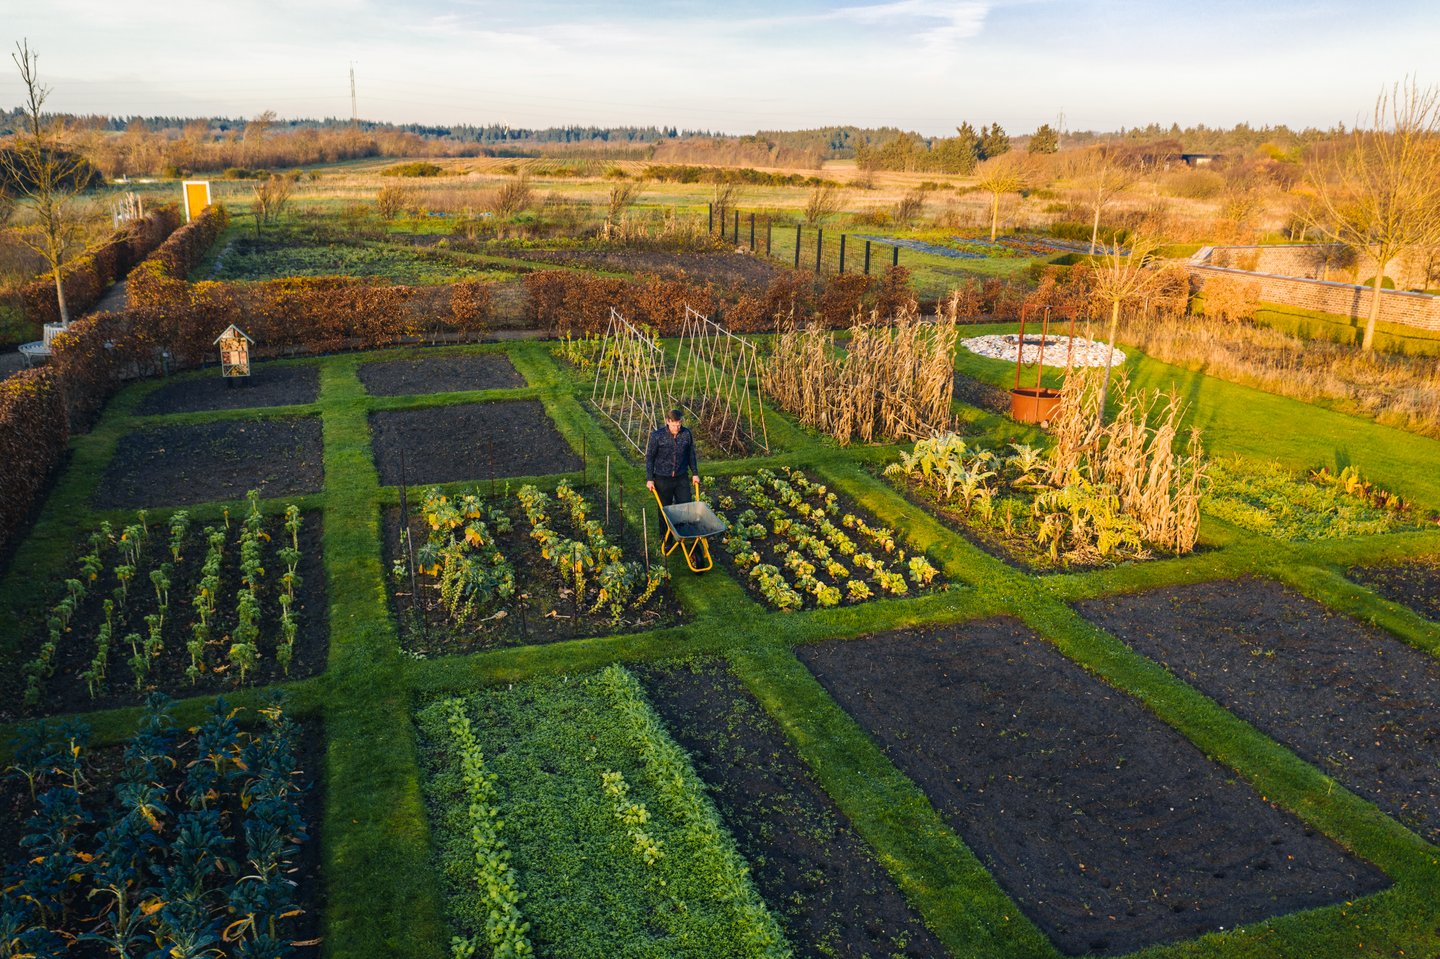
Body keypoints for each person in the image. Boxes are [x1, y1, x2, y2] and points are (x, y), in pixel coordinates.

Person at [646, 408, 700, 533]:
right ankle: (667, 539)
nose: (677, 427)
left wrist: (695, 474)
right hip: (662, 478)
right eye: (675, 424)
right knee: (665, 510)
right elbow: (650, 458)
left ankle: (686, 536)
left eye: (679, 424)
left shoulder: (686, 434)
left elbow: (691, 454)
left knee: (686, 508)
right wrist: (650, 479)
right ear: (668, 421)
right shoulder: (657, 436)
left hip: (681, 477)